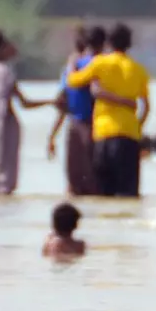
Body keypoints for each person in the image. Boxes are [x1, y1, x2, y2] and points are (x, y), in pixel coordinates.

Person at [66, 23, 151, 198]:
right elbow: (146, 107)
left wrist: (72, 63)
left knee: (104, 194)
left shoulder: (100, 63)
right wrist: (138, 126)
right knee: (129, 194)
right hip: (129, 135)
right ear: (129, 44)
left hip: (104, 134)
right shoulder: (139, 70)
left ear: (109, 43)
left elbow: (73, 81)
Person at [0, 28, 50, 196]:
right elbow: (24, 103)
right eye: (7, 44)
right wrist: (52, 102)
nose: (13, 46)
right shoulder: (3, 71)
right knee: (5, 180)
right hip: (3, 126)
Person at [48, 26, 105, 196]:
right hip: (93, 126)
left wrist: (52, 136)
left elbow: (62, 103)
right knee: (93, 181)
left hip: (74, 125)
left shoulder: (70, 68)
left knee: (73, 182)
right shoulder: (101, 65)